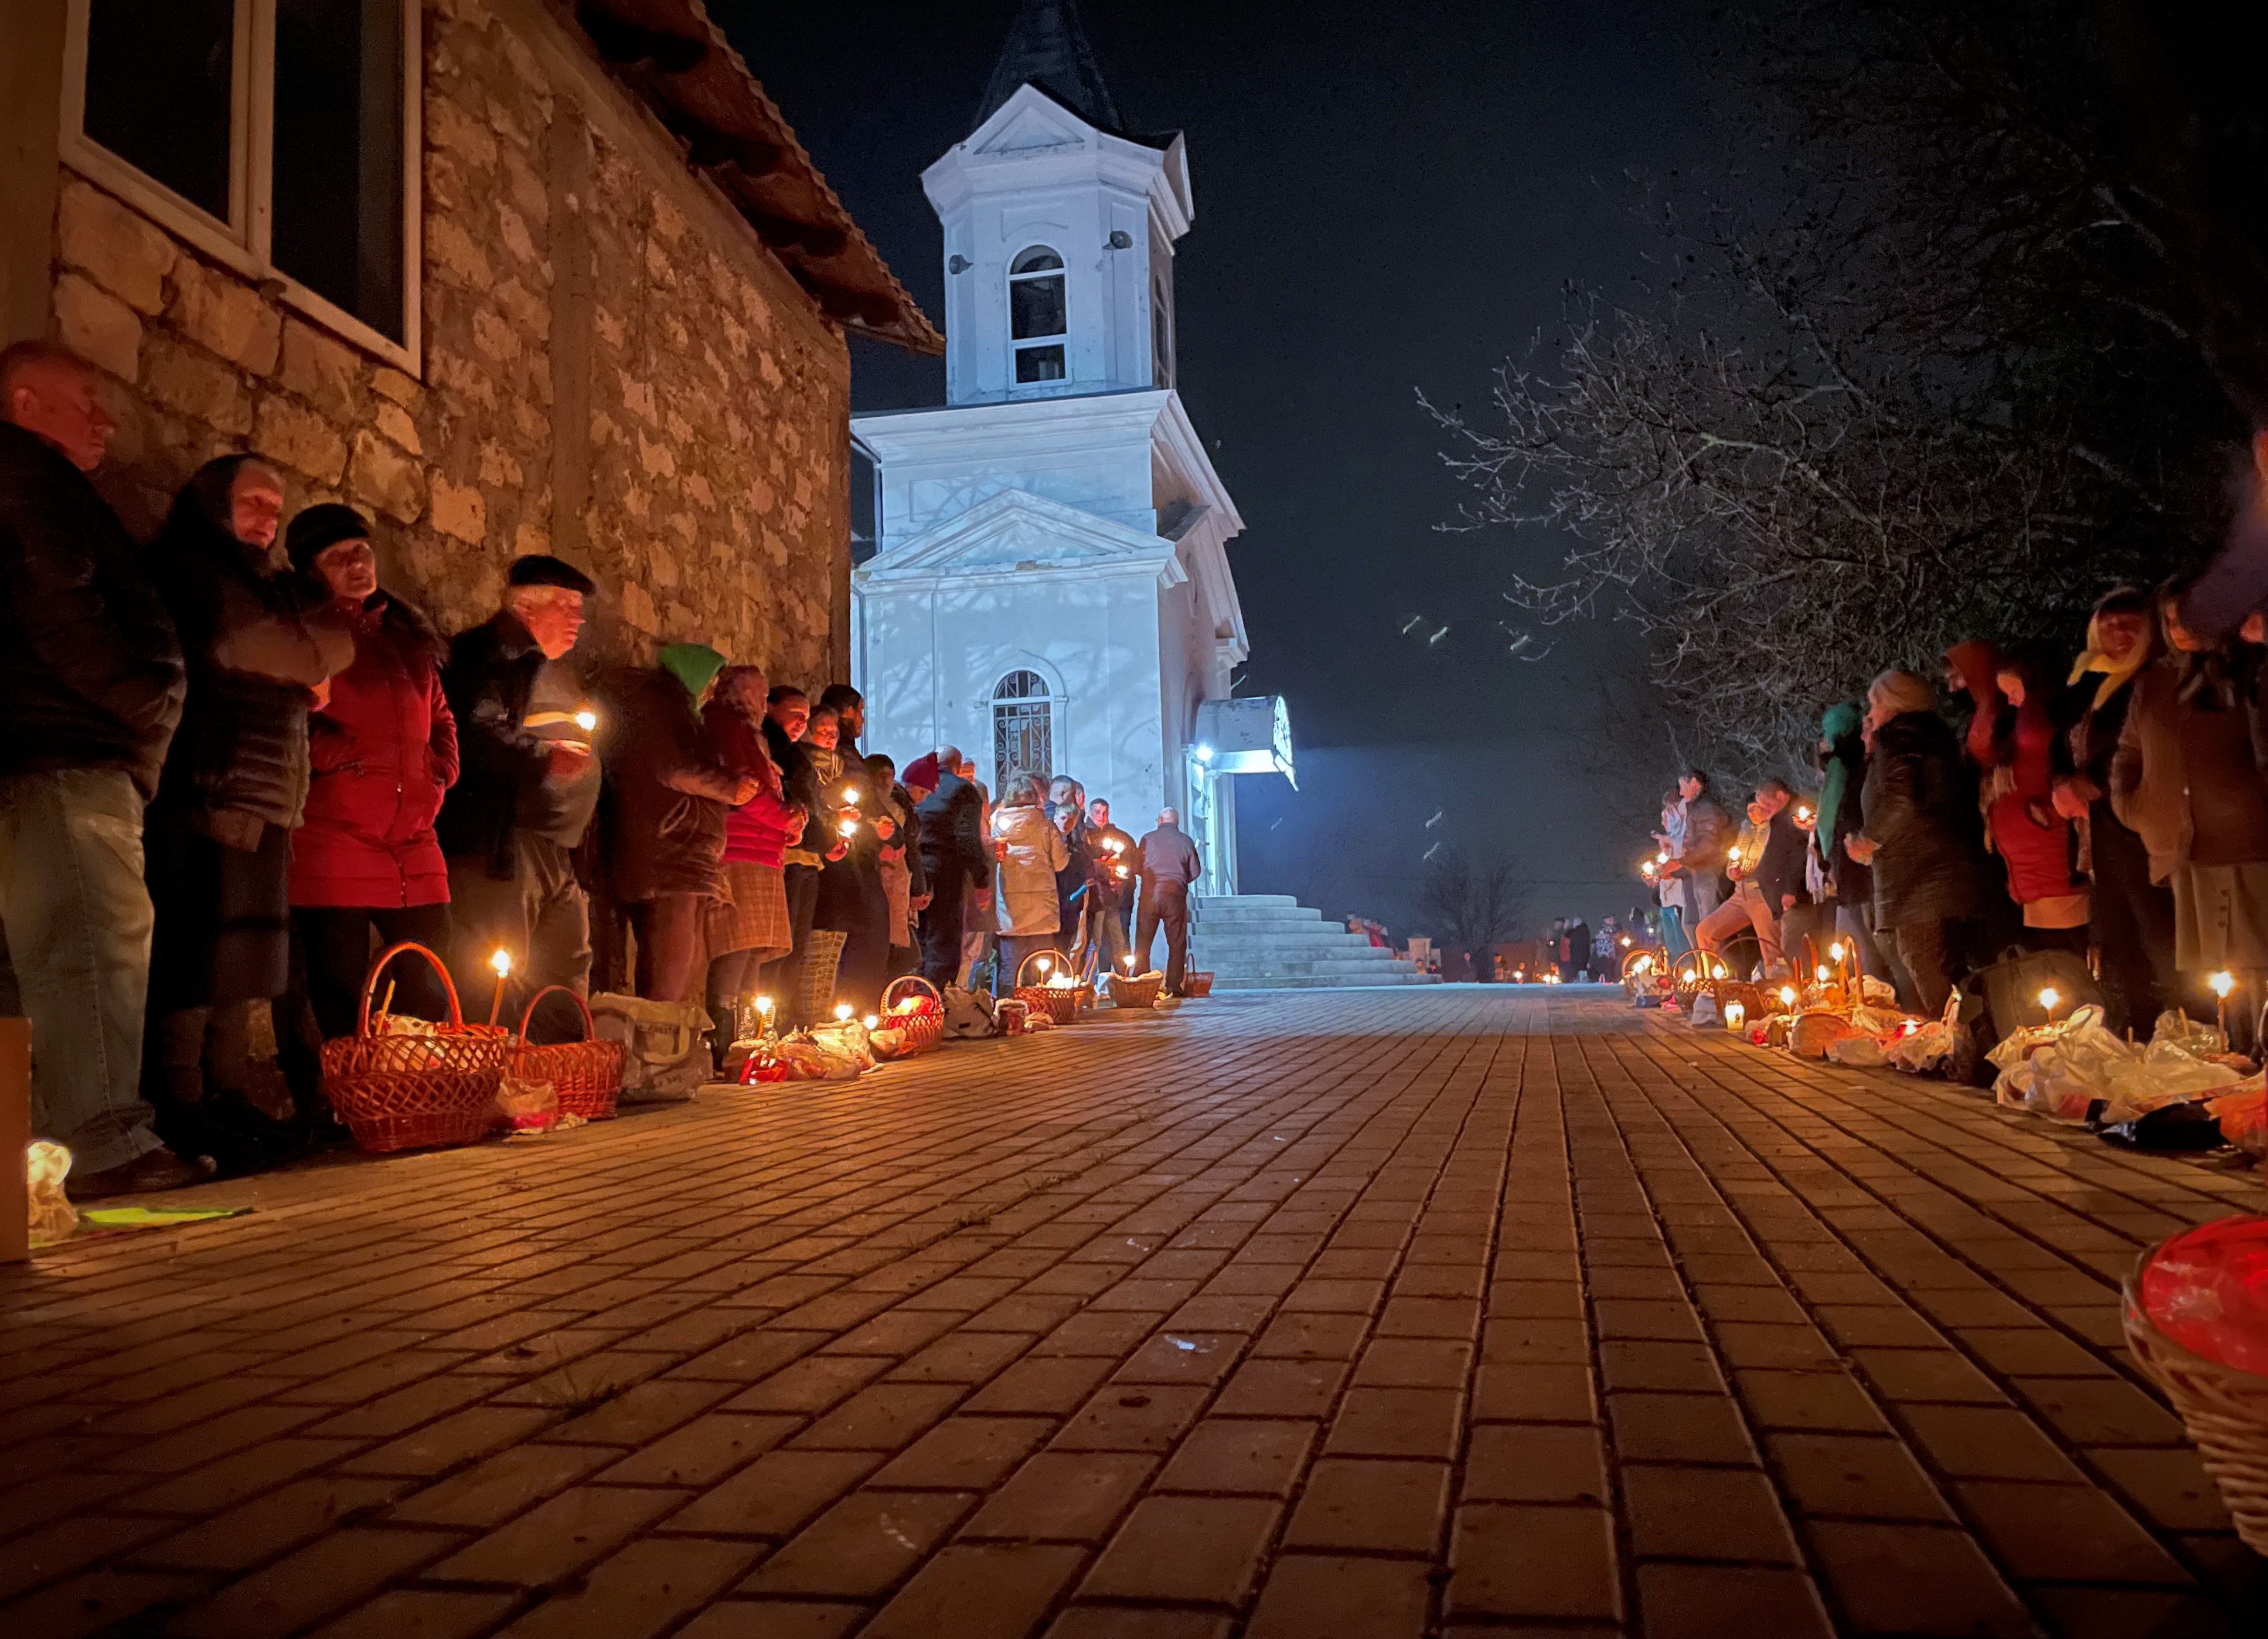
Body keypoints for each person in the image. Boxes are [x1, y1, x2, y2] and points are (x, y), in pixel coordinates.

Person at [0, 341, 195, 1195]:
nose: (105, 419)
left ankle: (35, 1158)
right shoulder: (27, 476)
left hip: (40, 745)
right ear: (24, 399)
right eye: (86, 397)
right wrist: (144, 700)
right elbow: (59, 599)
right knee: (92, 941)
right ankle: (104, 1142)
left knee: (34, 957)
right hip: (68, 748)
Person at [142, 456, 353, 1169]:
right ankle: (182, 1100)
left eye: (276, 505)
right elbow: (252, 644)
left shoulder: (263, 585)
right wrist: (313, 662)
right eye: (252, 501)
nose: (268, 516)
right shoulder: (198, 570)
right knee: (199, 951)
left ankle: (226, 1093)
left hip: (265, 793)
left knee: (241, 955)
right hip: (217, 781)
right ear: (212, 503)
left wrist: (309, 660)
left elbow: (309, 646)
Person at [284, 504, 458, 1044]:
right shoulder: (306, 631)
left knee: (432, 979)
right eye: (339, 559)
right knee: (341, 992)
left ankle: (423, 1093)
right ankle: (354, 1103)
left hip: (414, 841)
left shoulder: (405, 636)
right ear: (313, 572)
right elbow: (285, 712)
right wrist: (337, 757)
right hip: (334, 841)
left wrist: (441, 770)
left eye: (361, 551)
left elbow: (440, 715)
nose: (357, 564)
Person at [436, 555, 600, 1042]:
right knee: (497, 967)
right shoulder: (489, 655)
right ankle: (498, 1077)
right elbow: (474, 732)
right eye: (566, 606)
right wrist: (544, 756)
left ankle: (563, 1073)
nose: (579, 619)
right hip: (495, 842)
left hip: (544, 844)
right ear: (528, 605)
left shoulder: (530, 664)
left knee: (565, 958)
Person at [2110, 586, 2268, 1052]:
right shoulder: (2153, 685)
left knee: (2257, 962)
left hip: (2246, 841)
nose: (2180, 632)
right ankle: (2235, 1055)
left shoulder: (2245, 676)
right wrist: (2133, 808)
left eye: (2189, 620)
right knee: (2215, 971)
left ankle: (2260, 1058)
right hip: (2183, 849)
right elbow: (2128, 753)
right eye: (2172, 622)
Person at [2056, 587, 2177, 1036]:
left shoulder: (2154, 680)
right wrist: (2061, 781)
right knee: (2117, 939)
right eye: (2109, 626)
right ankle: (2137, 1034)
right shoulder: (2088, 685)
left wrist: (2102, 786)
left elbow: (2144, 752)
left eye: (2131, 625)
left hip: (2139, 828)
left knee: (2159, 936)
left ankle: (2186, 1033)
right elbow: (2068, 747)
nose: (2120, 635)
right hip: (2099, 833)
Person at [605, 644, 754, 1005]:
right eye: (711, 680)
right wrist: (730, 787)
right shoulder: (658, 709)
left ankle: (673, 1045)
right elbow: (671, 768)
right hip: (669, 850)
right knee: (669, 970)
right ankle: (659, 1048)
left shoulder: (679, 713)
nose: (713, 690)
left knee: (684, 963)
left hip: (684, 852)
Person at [1845, 669, 1990, 1016]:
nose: (1870, 714)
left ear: (1893, 704)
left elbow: (1902, 798)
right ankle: (1966, 1040)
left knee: (1925, 961)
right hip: (1938, 866)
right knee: (1944, 964)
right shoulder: (1928, 736)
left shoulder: (1902, 738)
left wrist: (1869, 840)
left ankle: (1962, 1047)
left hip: (1923, 873)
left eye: (1874, 703)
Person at [1948, 639, 2089, 946]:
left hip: (2049, 849)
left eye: (2013, 691)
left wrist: (2043, 812)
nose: (2010, 700)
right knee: (2051, 956)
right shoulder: (2013, 720)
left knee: (2069, 951)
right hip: (2026, 859)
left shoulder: (2044, 717)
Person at [702, 665, 801, 1055]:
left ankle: (747, 1043)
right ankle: (725, 1044)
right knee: (737, 946)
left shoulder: (747, 732)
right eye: (758, 696)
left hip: (763, 850)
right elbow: (745, 786)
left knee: (753, 953)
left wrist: (791, 820)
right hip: (741, 849)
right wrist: (783, 818)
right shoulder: (726, 727)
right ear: (737, 694)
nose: (762, 704)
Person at [1695, 784, 1802, 978]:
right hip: (1740, 894)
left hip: (1763, 895)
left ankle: (1779, 990)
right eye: (1750, 810)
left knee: (1771, 949)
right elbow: (1733, 859)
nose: (1754, 813)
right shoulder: (1745, 831)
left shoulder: (1776, 829)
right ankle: (1710, 985)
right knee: (1706, 931)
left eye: (1758, 808)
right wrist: (1733, 871)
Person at [910, 746, 990, 989]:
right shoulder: (963, 790)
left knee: (919, 936)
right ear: (958, 766)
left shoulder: (916, 787)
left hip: (915, 871)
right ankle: (935, 1000)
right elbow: (968, 837)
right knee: (943, 939)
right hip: (947, 870)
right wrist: (981, 880)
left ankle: (914, 999)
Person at [992, 773, 1070, 984]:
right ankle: (1041, 1011)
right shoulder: (1045, 825)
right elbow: (1060, 864)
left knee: (1010, 968)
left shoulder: (996, 823)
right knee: (1041, 970)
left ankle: (1008, 1011)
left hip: (1010, 906)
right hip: (1041, 908)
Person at [1134, 805, 1203, 995]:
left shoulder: (1147, 839)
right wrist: (1179, 881)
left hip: (1150, 896)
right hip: (1175, 896)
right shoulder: (1186, 841)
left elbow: (1137, 867)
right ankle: (1173, 985)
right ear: (1177, 823)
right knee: (1177, 942)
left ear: (1160, 821)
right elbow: (1196, 871)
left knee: (1143, 941)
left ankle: (1140, 981)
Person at [1666, 770, 1731, 920]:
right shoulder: (1698, 808)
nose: (1681, 793)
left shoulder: (1705, 808)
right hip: (1703, 870)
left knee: (1711, 921)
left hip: (1710, 870)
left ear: (1694, 783)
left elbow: (1709, 845)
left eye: (1683, 787)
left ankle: (1714, 945)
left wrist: (1680, 862)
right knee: (1706, 920)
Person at [1087, 796, 1136, 974]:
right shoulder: (1085, 837)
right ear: (1089, 812)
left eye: (1105, 812)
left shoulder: (1119, 837)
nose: (1102, 816)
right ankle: (1098, 980)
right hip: (1093, 901)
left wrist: (1121, 880)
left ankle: (1123, 981)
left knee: (1119, 939)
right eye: (1097, 812)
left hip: (1115, 900)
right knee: (1097, 941)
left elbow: (1131, 866)